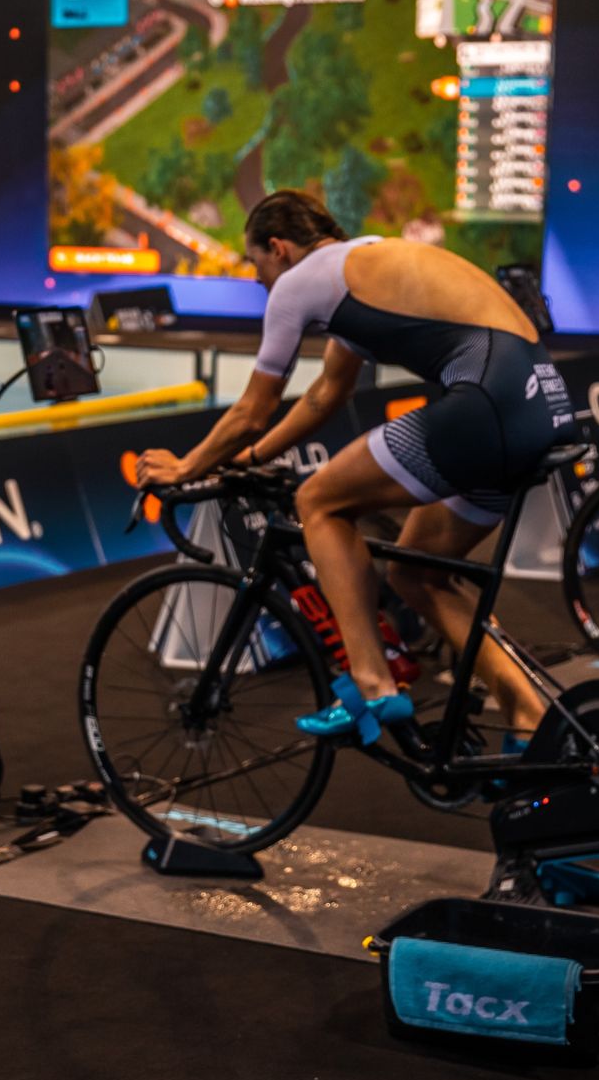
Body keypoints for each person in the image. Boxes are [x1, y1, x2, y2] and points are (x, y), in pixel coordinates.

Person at [134, 190, 575, 741]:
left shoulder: (300, 281)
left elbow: (253, 409)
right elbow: (327, 394)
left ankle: (371, 683)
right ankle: (528, 715)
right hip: (538, 406)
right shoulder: (357, 270)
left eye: (256, 265)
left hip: (490, 406)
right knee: (418, 574)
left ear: (279, 248)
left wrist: (187, 468)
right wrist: (245, 461)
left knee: (317, 501)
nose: (256, 280)